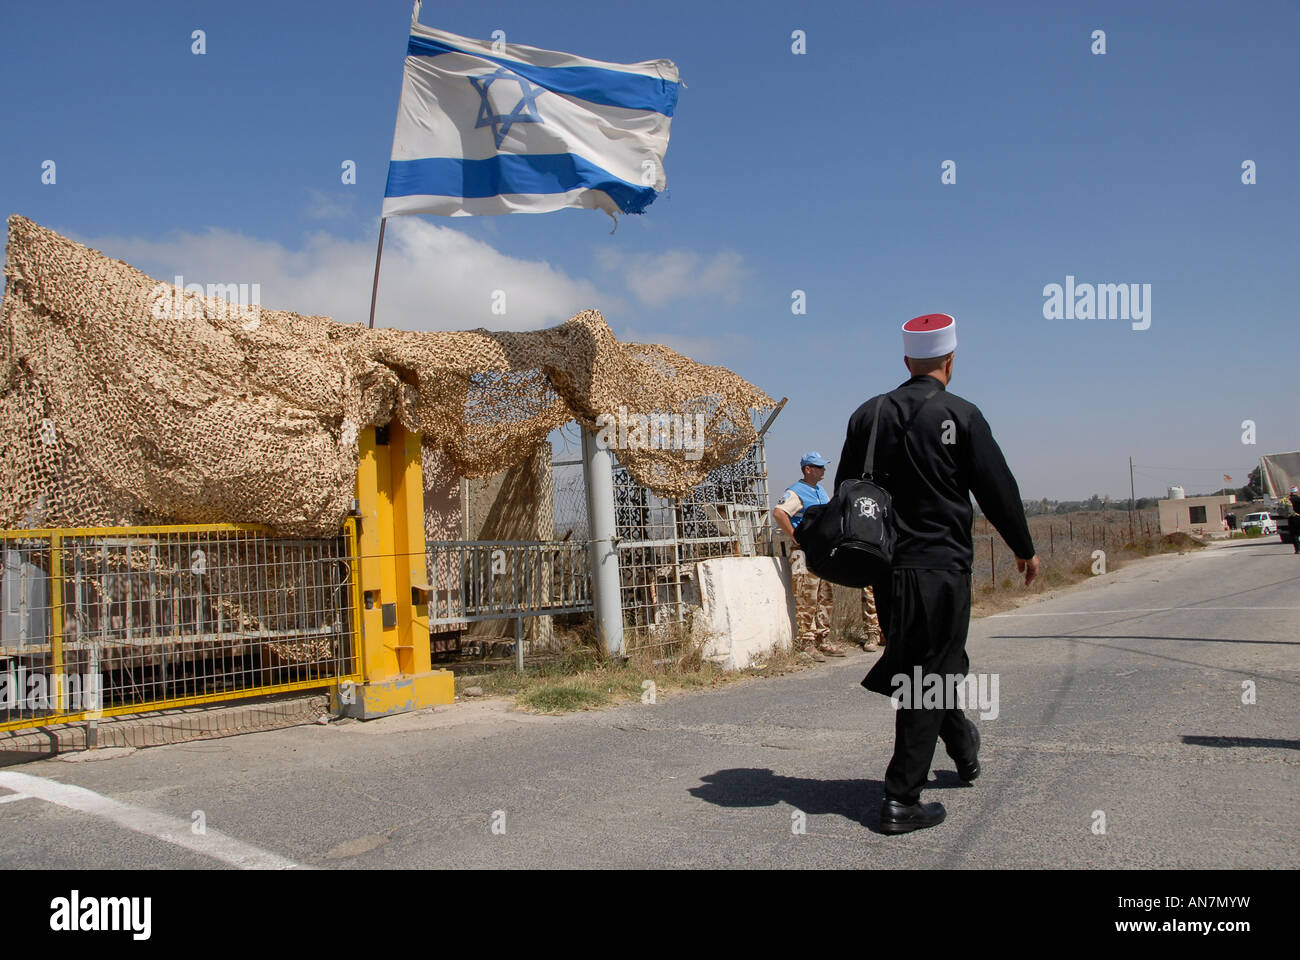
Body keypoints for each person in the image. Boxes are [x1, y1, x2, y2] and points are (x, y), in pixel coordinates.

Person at [834, 313, 1038, 834]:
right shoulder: (961, 415)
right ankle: (901, 798)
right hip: (941, 566)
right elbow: (997, 487)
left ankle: (963, 745)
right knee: (929, 673)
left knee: (929, 663)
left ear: (907, 362)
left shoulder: (868, 415)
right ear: (951, 362)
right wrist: (1023, 547)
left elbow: (846, 495)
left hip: (887, 569)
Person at [772, 453, 848, 661]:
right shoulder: (796, 492)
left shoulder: (819, 491)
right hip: (803, 552)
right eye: (819, 467)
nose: (823, 470)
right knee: (807, 596)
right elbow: (779, 513)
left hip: (820, 550)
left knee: (825, 594)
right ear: (808, 469)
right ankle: (807, 642)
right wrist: (797, 537)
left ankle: (823, 639)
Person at [1289, 486, 1300, 554]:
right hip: (1299, 518)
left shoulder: (1288, 500)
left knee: (1294, 534)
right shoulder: (1299, 499)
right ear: (1296, 492)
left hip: (1291, 518)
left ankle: (1297, 549)